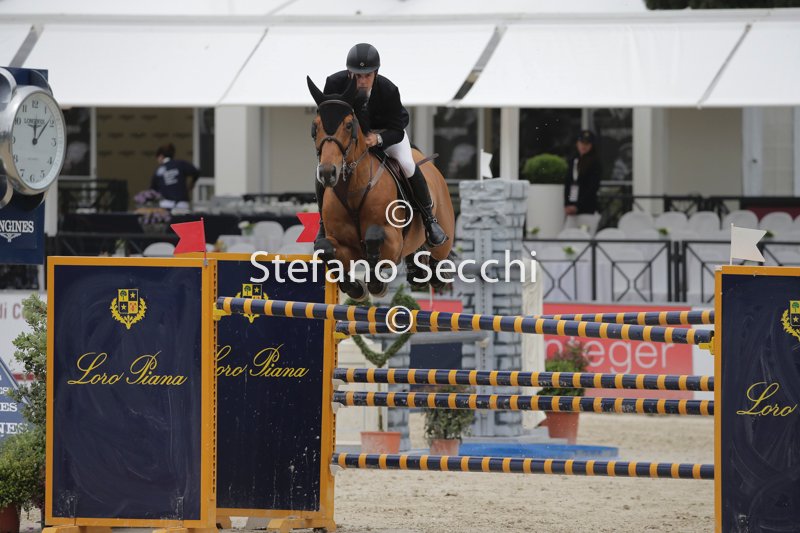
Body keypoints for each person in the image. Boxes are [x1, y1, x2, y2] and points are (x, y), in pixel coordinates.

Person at [315, 42, 447, 247]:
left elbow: (398, 128)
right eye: (357, 75)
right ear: (349, 72)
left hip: (387, 133)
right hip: (351, 138)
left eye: (367, 75)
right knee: (324, 168)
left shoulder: (388, 89)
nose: (362, 81)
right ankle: (323, 225)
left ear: (376, 73)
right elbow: (328, 119)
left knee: (407, 163)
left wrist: (378, 139)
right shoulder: (334, 83)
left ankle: (429, 220)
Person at [563, 130, 602, 231]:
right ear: (577, 143)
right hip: (572, 208)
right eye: (582, 143)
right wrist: (567, 204)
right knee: (568, 234)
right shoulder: (573, 160)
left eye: (587, 144)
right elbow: (568, 184)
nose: (584, 146)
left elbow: (592, 187)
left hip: (587, 209)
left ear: (591, 145)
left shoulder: (595, 163)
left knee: (585, 235)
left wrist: (577, 206)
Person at [150, 143, 200, 210]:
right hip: (182, 204)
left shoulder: (159, 170)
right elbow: (196, 172)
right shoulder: (181, 164)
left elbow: (153, 190)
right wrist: (192, 182)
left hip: (166, 203)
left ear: (161, 156)